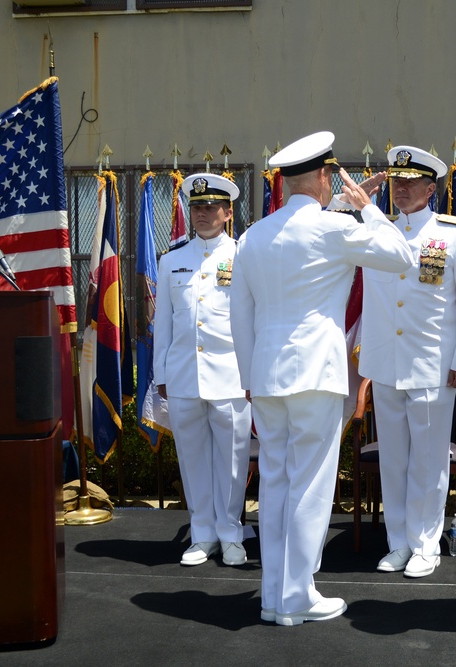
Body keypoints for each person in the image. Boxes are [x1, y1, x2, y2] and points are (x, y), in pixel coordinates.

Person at [229, 131, 413, 626]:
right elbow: (404, 257)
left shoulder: (253, 235)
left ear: (287, 183)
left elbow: (238, 315)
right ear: (327, 177)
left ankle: (274, 595)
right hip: (315, 374)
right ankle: (297, 596)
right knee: (309, 483)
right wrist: (367, 210)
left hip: (265, 376)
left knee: (275, 482)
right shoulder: (333, 228)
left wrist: (249, 376)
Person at [359, 145, 456, 578]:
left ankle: (427, 544)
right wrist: (356, 197)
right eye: (396, 182)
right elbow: (327, 225)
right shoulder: (375, 230)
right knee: (393, 458)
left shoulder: (454, 234)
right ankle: (398, 543)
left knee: (428, 459)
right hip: (386, 362)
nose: (402, 189)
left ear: (431, 188)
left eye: (411, 182)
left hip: (432, 364)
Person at [153, 173, 252, 568]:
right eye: (196, 207)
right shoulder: (172, 260)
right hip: (183, 375)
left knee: (232, 460)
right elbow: (163, 323)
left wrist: (252, 374)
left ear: (228, 213)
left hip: (231, 375)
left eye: (212, 207)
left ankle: (230, 533)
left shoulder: (244, 256)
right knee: (192, 460)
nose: (203, 213)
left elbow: (252, 319)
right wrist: (161, 373)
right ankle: (202, 534)